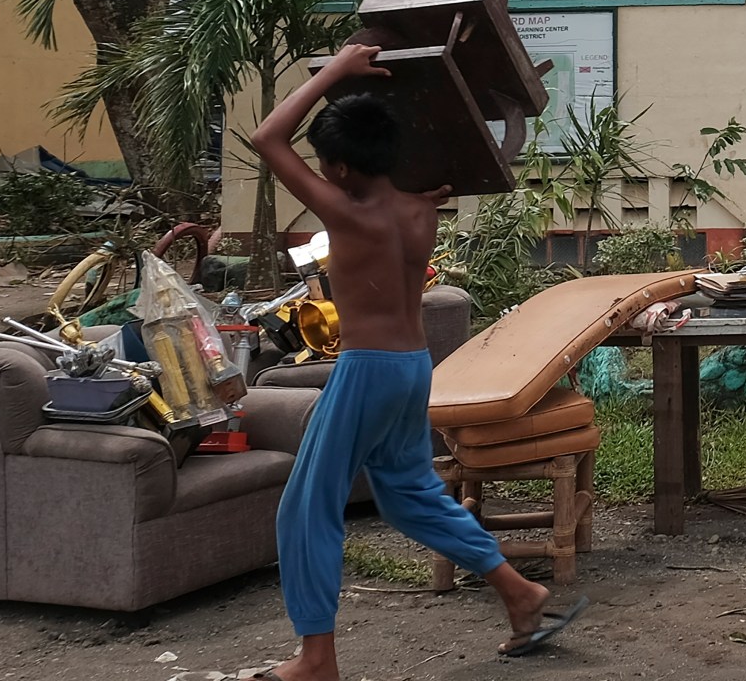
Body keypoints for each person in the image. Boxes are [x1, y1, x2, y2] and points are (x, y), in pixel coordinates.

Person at [248, 43, 584, 680]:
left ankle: (316, 658)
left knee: (305, 507)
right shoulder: (420, 207)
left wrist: (334, 75)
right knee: (408, 497)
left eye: (325, 163)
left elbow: (269, 138)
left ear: (341, 168)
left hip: (369, 368)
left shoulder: (347, 213)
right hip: (412, 365)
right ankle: (519, 591)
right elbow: (487, 155)